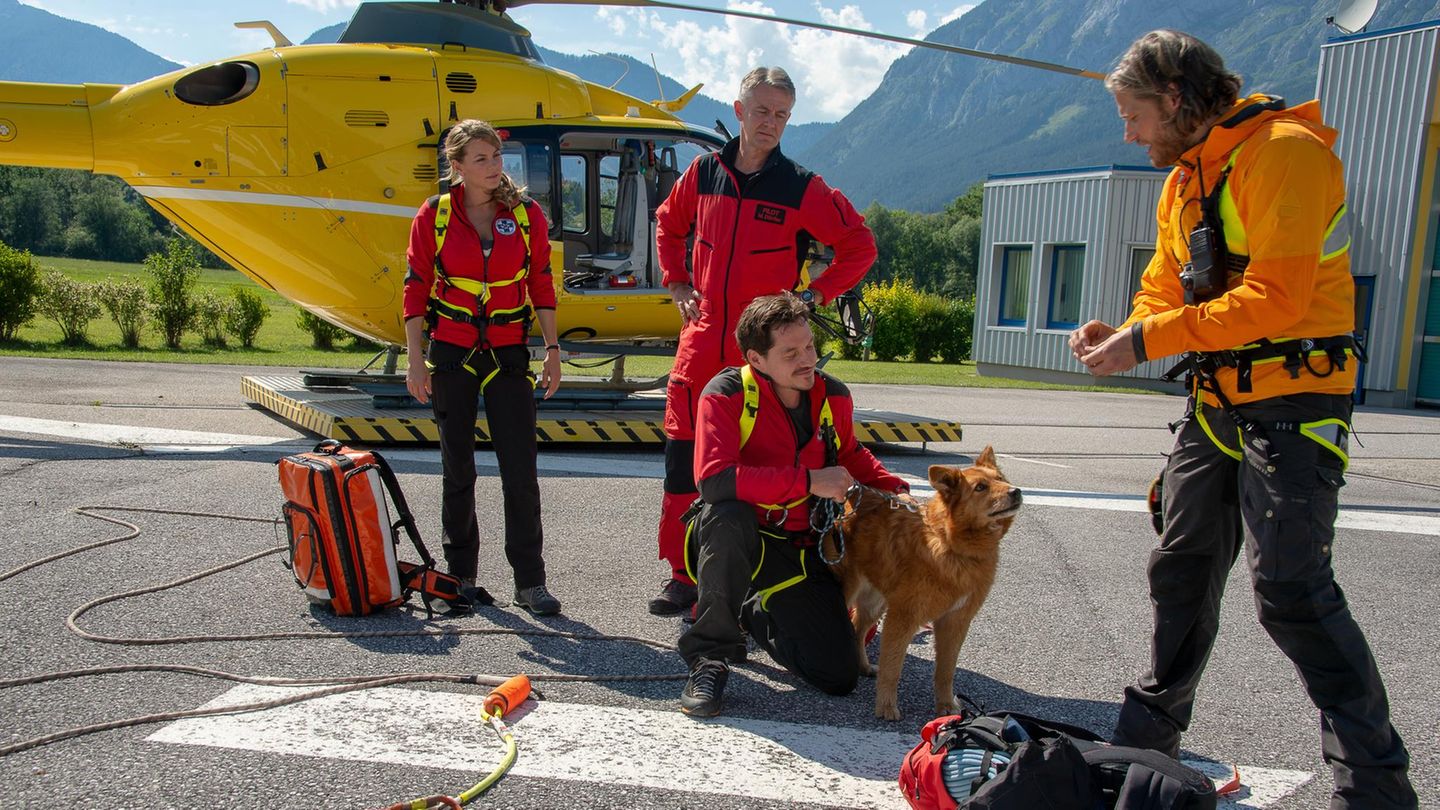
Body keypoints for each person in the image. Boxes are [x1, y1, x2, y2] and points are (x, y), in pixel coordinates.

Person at [1071, 31, 1416, 808]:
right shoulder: (1184, 179)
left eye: (1133, 116)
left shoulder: (1287, 153)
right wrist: (1123, 329)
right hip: (1219, 400)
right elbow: (1164, 285)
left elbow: (1278, 300)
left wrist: (1148, 340)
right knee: (1181, 569)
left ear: (1177, 102)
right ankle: (1146, 745)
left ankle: (1376, 786)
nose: (1128, 134)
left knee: (1291, 588)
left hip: (1296, 399)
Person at [648, 66, 877, 617]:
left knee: (759, 470)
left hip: (763, 360)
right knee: (685, 465)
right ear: (739, 108)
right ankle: (685, 576)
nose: (770, 122)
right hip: (701, 348)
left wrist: (815, 296)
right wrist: (677, 280)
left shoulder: (803, 186)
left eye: (781, 113)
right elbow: (667, 222)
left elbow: (859, 244)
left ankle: (755, 579)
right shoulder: (703, 172)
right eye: (761, 110)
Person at [677, 293, 910, 717]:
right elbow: (713, 479)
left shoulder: (833, 396)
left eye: (810, 348)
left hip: (802, 548)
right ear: (757, 358)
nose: (807, 360)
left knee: (838, 676)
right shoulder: (726, 393)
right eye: (791, 353)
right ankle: (708, 656)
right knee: (728, 513)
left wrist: (897, 491)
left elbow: (851, 452)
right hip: (738, 538)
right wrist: (809, 481)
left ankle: (752, 611)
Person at [402, 119, 564, 616]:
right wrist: (414, 361)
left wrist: (553, 351)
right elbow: (414, 287)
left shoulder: (527, 214)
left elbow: (540, 282)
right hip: (450, 353)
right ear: (456, 167)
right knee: (459, 471)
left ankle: (530, 583)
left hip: (508, 353)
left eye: (496, 157)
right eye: (481, 159)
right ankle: (461, 577)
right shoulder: (433, 215)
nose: (494, 167)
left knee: (521, 471)